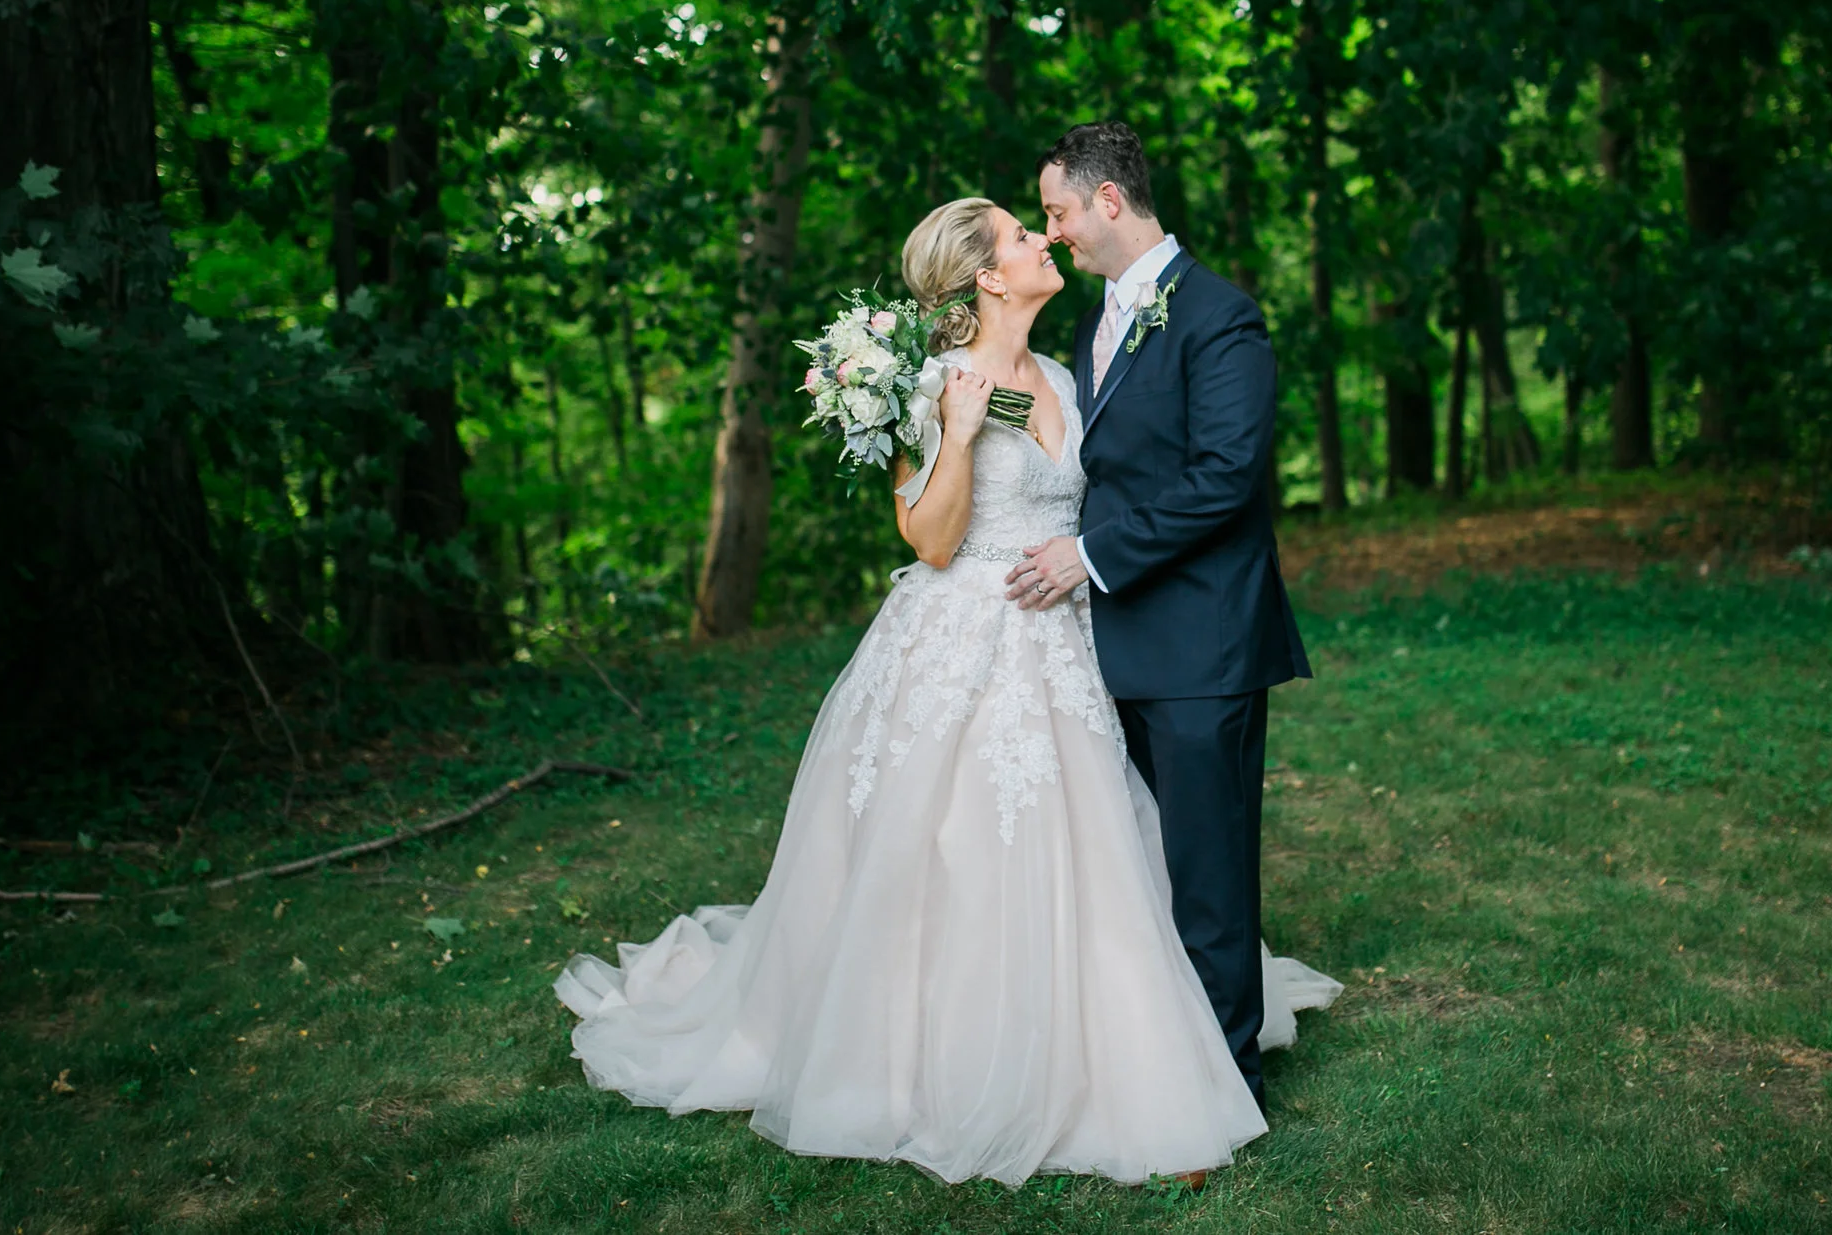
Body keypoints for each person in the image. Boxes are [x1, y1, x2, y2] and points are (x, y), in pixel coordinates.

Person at [554, 194, 1335, 1188]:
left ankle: (1110, 1029)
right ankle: (929, 1046)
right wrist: (956, 433)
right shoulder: (939, 383)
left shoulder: (1060, 373)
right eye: (1019, 234)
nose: (1040, 238)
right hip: (960, 637)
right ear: (988, 277)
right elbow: (929, 538)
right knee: (951, 843)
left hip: (1064, 639)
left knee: (1090, 834)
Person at [1007, 121, 1312, 1117]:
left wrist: (1088, 558)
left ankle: (1228, 1086)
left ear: (1107, 200)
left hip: (1201, 644)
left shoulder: (1221, 316)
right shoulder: (1091, 325)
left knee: (1208, 874)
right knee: (1136, 865)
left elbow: (1224, 475)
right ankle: (1157, 1054)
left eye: (1054, 211)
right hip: (1112, 644)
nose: (1049, 233)